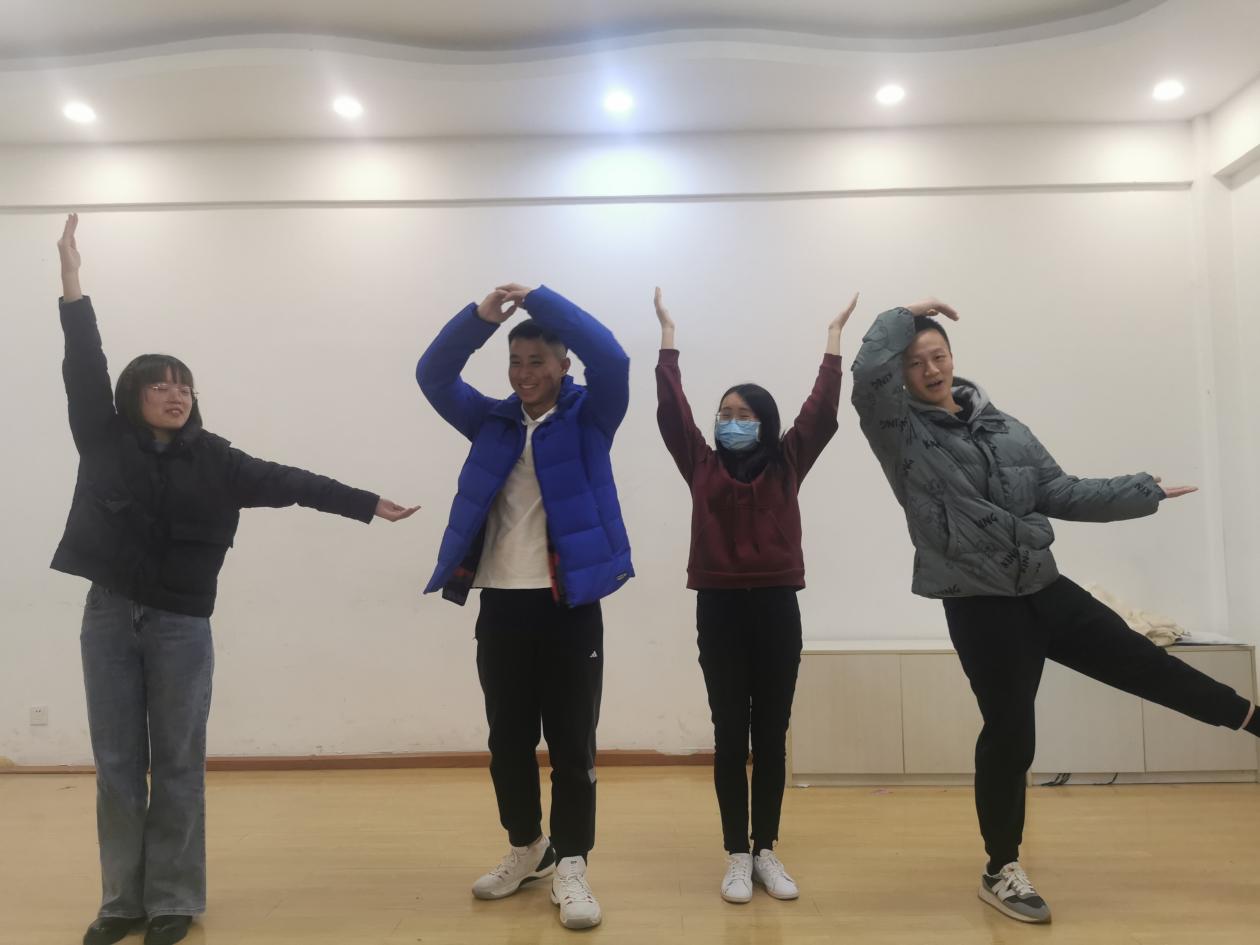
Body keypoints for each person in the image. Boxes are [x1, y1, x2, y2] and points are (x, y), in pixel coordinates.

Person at [52, 214, 419, 945]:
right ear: (131, 397)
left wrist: (365, 503)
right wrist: (72, 282)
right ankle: (121, 901)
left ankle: (173, 900)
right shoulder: (102, 437)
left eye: (184, 386)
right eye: (160, 386)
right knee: (118, 764)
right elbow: (82, 362)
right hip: (109, 616)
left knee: (178, 764)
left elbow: (291, 481)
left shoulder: (217, 459)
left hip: (181, 625)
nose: (175, 395)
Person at [850, 297, 1260, 924]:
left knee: (1148, 665)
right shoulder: (899, 430)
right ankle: (1001, 869)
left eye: (938, 356)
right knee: (1011, 732)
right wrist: (902, 313)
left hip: (1043, 587)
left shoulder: (1004, 428)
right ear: (901, 373)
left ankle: (1252, 720)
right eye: (915, 362)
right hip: (980, 605)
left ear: (953, 358)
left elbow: (1059, 491)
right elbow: (865, 374)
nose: (930, 369)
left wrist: (1141, 491)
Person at [416, 282, 632, 930]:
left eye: (538, 361)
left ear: (563, 365)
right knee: (507, 740)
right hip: (503, 605)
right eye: (515, 362)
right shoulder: (492, 420)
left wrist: (542, 301)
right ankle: (528, 847)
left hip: (569, 606)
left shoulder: (592, 417)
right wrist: (480, 319)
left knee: (571, 743)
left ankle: (572, 862)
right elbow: (433, 375)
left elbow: (613, 358)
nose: (525, 373)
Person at [653, 286, 856, 904]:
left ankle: (765, 848)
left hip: (775, 608)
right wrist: (668, 340)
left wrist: (833, 342)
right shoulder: (702, 464)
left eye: (743, 414)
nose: (730, 422)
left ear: (764, 423)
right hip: (718, 610)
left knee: (770, 733)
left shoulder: (787, 462)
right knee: (729, 734)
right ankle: (736, 855)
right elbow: (672, 414)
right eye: (724, 413)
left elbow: (821, 414)